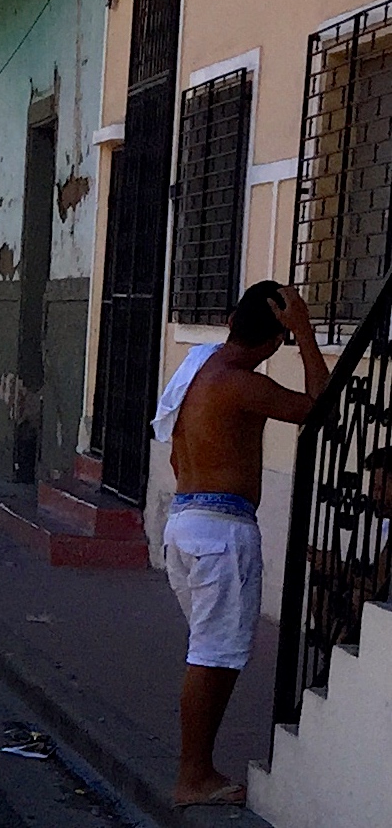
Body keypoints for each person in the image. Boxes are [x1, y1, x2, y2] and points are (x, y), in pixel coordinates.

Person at [158, 281, 328, 810]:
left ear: (231, 320)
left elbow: (174, 456)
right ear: (276, 340)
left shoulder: (199, 370)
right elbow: (318, 406)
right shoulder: (239, 383)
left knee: (208, 652)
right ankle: (193, 774)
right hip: (220, 532)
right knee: (213, 657)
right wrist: (305, 332)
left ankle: (195, 770)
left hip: (185, 520)